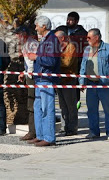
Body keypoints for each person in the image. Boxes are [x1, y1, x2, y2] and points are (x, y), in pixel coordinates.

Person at [27, 16, 61, 147]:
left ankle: (49, 137)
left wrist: (36, 57)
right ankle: (40, 135)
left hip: (47, 79)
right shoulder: (45, 40)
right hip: (39, 79)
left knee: (47, 109)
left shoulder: (52, 41)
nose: (35, 28)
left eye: (37, 25)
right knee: (38, 108)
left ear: (44, 26)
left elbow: (51, 61)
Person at [80, 28, 109, 140]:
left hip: (105, 85)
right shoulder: (87, 50)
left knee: (108, 110)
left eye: (89, 37)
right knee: (91, 110)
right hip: (91, 84)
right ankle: (94, 132)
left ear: (97, 37)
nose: (87, 39)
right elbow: (83, 66)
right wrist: (82, 81)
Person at [56, 11, 88, 108]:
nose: (68, 21)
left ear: (77, 21)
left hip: (75, 64)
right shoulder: (62, 29)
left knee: (74, 89)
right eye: (67, 19)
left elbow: (84, 49)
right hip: (60, 66)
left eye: (71, 20)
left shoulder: (83, 33)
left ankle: (75, 107)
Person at [16, 26, 39, 141]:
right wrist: (24, 73)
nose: (17, 37)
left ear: (24, 34)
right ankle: (32, 131)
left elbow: (36, 60)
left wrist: (29, 73)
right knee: (30, 103)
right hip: (29, 75)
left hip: (34, 76)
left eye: (18, 34)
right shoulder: (26, 44)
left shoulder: (32, 44)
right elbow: (28, 63)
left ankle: (33, 132)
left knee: (32, 104)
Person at [55, 30, 79, 136]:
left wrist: (54, 61)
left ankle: (72, 127)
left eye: (56, 38)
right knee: (62, 105)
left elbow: (67, 62)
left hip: (69, 80)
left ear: (63, 38)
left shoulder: (71, 47)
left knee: (71, 105)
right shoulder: (57, 48)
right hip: (59, 80)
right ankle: (65, 126)